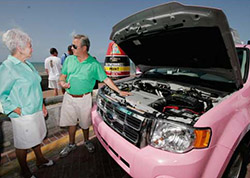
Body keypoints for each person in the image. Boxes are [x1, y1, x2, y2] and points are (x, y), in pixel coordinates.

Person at [59, 34, 130, 157]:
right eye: (72, 45)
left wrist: (119, 91)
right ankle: (71, 144)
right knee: (71, 123)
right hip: (69, 97)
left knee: (85, 123)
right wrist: (62, 82)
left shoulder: (94, 64)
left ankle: (86, 141)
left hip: (84, 98)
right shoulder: (69, 59)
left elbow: (106, 79)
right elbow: (63, 75)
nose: (72, 48)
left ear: (84, 48)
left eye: (75, 46)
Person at [0, 29, 53, 178]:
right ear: (20, 48)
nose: (32, 49)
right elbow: (1, 94)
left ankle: (40, 159)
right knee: (22, 144)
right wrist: (14, 109)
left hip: (35, 110)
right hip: (23, 114)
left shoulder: (27, 65)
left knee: (36, 137)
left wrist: (41, 104)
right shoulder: (8, 67)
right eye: (30, 46)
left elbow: (36, 86)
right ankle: (24, 170)